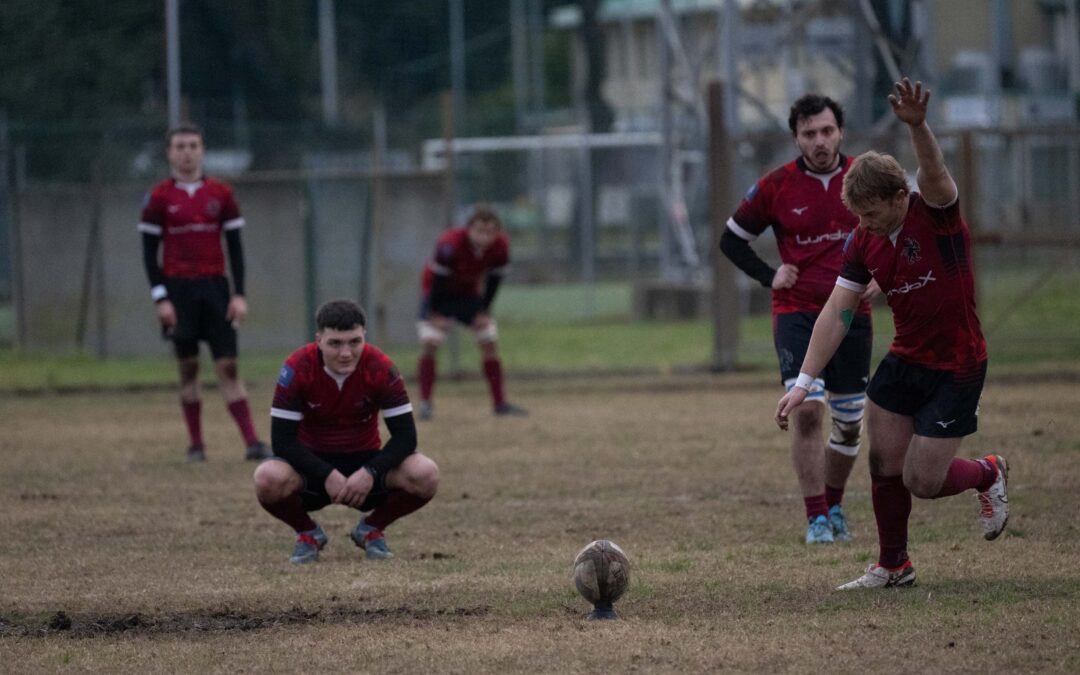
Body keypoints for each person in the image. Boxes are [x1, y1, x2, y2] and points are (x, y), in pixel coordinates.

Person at [776, 78, 1009, 589]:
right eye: (857, 215)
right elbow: (837, 311)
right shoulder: (865, 240)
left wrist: (918, 125)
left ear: (901, 198)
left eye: (871, 212)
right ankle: (892, 565)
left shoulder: (938, 215)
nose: (863, 224)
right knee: (882, 459)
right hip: (907, 357)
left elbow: (935, 170)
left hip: (958, 363)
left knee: (922, 481)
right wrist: (802, 381)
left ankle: (988, 473)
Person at [720, 94, 877, 544]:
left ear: (841, 132)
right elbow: (731, 241)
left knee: (848, 422)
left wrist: (881, 280)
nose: (820, 141)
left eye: (827, 131)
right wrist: (771, 276)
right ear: (796, 137)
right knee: (808, 411)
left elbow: (899, 231)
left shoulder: (863, 180)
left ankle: (833, 504)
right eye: (809, 133)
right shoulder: (777, 185)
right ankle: (815, 519)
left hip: (851, 317)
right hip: (797, 315)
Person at [255, 299, 439, 564]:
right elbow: (282, 441)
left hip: (365, 465)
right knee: (267, 478)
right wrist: (326, 474)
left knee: (425, 474)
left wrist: (370, 472)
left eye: (354, 342)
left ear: (364, 335)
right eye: (335, 343)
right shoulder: (297, 367)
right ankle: (307, 533)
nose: (346, 353)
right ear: (318, 340)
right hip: (312, 468)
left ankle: (371, 528)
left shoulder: (380, 367)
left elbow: (406, 437)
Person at [139, 124, 270, 463]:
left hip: (215, 289)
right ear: (169, 152)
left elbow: (236, 249)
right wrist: (161, 299)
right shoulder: (158, 198)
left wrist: (238, 294)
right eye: (180, 146)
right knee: (189, 367)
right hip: (178, 291)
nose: (186, 152)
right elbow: (148, 253)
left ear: (202, 150)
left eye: (193, 145)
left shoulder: (221, 194)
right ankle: (196, 445)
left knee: (227, 367)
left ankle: (253, 442)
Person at [415, 204, 527, 420]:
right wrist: (435, 314)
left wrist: (482, 311)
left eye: (490, 231)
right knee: (430, 343)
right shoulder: (449, 244)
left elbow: (494, 281)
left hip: (468, 294)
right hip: (439, 295)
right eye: (479, 231)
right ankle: (426, 404)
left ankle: (500, 404)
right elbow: (437, 281)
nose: (484, 237)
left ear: (498, 232)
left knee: (488, 340)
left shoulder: (501, 247)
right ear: (468, 229)